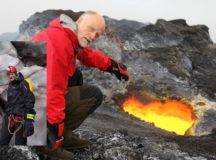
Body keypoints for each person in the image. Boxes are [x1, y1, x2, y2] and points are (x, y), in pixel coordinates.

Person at [32, 11, 129, 159]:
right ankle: (46, 143)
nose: (92, 36)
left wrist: (112, 66)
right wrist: (54, 133)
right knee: (94, 94)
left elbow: (86, 54)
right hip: (28, 106)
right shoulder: (59, 44)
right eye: (91, 29)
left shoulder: (66, 34)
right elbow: (54, 91)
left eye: (97, 35)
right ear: (79, 21)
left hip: (33, 94)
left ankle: (59, 134)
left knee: (75, 75)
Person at [0, 66, 36, 145]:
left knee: (20, 145)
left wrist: (29, 120)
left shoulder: (23, 84)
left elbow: (30, 101)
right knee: (2, 142)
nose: (10, 76)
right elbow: (11, 103)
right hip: (10, 118)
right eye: (9, 74)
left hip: (20, 119)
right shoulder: (11, 85)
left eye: (12, 74)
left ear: (16, 74)